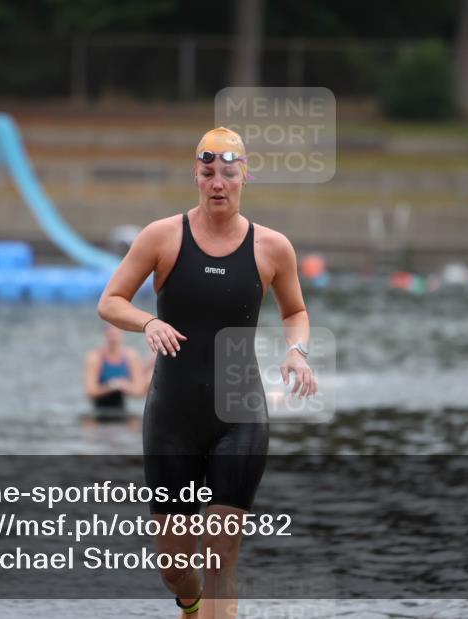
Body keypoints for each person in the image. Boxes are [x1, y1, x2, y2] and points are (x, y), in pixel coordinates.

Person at [97, 126, 316, 619]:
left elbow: (294, 312)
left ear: (245, 177)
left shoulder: (273, 248)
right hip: (173, 415)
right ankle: (190, 606)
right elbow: (110, 302)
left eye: (229, 173)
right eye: (208, 172)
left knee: (221, 552)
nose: (218, 183)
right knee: (175, 565)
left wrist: (297, 351)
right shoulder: (163, 237)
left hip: (239, 411)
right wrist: (148, 321)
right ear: (195, 176)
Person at [83, 323, 147, 421]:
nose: (113, 338)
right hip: (99, 410)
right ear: (105, 334)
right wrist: (111, 386)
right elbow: (90, 391)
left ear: (122, 334)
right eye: (111, 334)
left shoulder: (130, 356)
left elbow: (139, 391)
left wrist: (125, 386)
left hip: (121, 408)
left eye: (116, 333)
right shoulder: (95, 357)